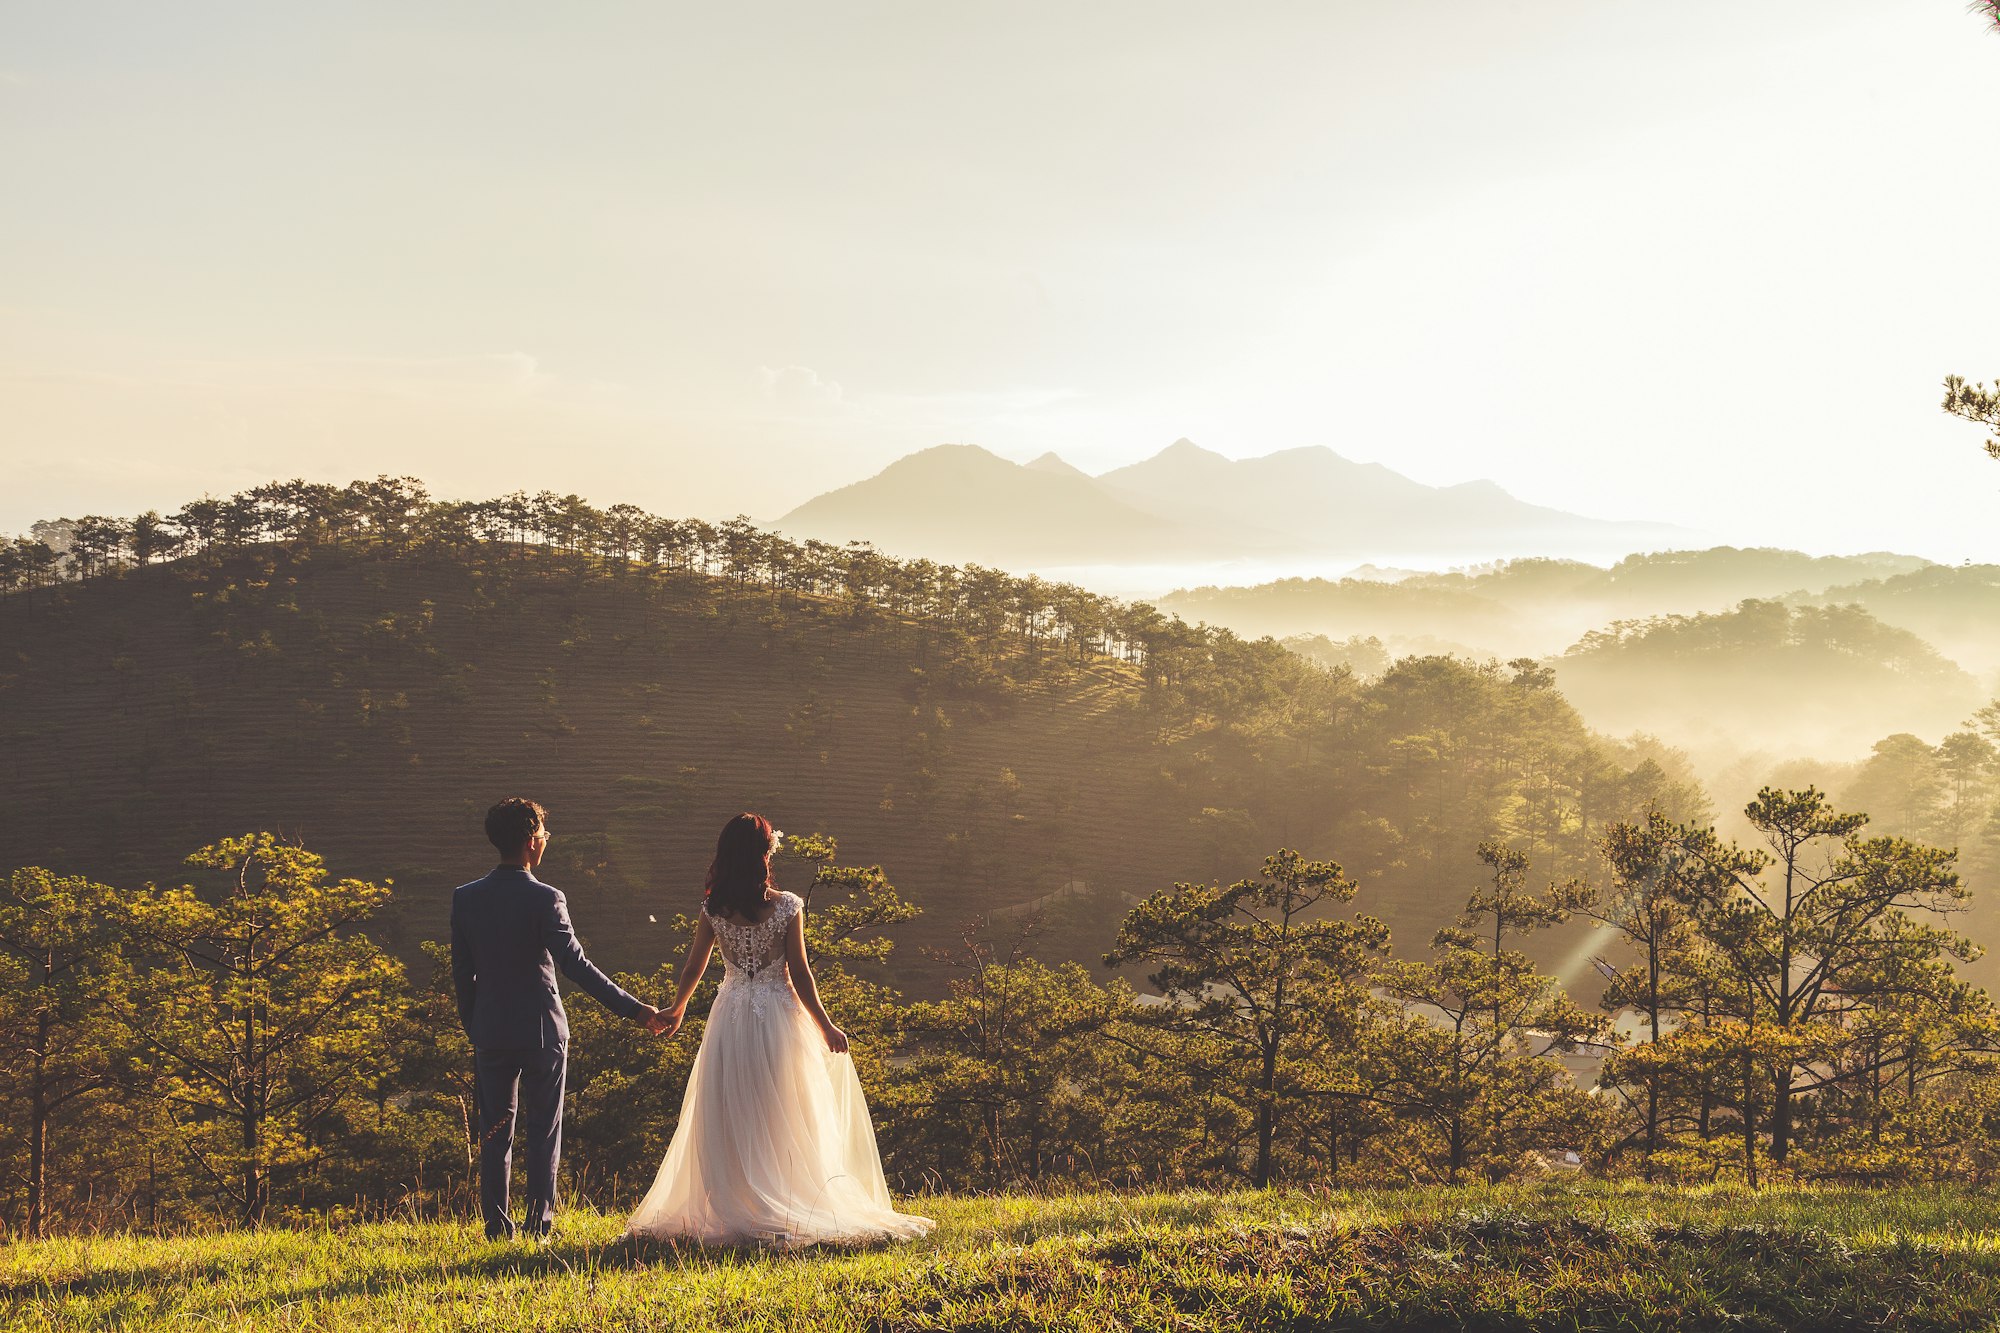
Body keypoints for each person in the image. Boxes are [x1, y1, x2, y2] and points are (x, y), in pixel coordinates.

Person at [625, 812, 934, 1246]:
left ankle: (741, 1197)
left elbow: (694, 966)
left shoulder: (714, 909)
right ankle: (785, 1194)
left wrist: (677, 1009)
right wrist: (825, 1026)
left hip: (730, 1015)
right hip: (778, 1016)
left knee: (734, 1108)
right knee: (784, 1107)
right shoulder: (787, 905)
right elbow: (800, 973)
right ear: (764, 855)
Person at [451, 797, 664, 1241]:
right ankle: (538, 1226)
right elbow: (576, 966)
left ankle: (496, 1226)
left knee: (494, 1131)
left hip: (490, 1029)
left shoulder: (466, 898)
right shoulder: (546, 898)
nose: (546, 841)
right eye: (545, 834)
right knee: (543, 1129)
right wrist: (636, 1010)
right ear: (532, 842)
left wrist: (476, 1025)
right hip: (542, 1030)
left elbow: (462, 974)